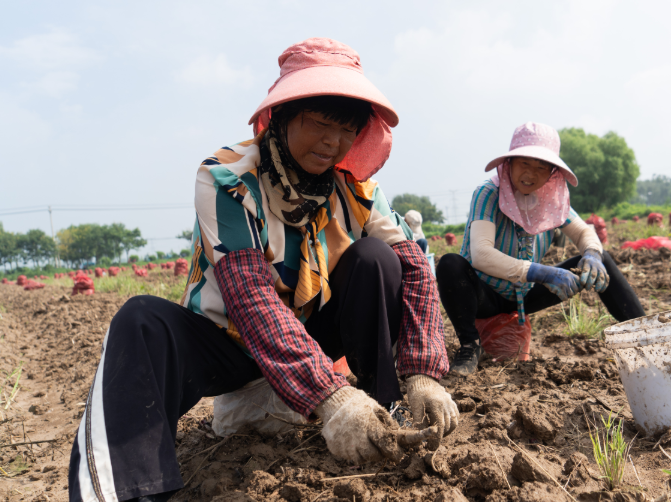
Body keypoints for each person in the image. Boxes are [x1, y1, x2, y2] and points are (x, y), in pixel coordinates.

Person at [69, 38, 458, 502]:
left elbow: (415, 265)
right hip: (231, 345)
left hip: (310, 334)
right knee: (141, 321)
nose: (333, 143)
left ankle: (384, 410)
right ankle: (133, 489)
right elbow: (250, 297)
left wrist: (423, 371)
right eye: (319, 124)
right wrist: (332, 398)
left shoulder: (354, 188)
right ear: (283, 116)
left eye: (347, 131)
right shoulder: (228, 178)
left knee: (377, 259)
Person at [436, 122, 645, 375]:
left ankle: (644, 334)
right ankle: (470, 345)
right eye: (524, 163)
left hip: (524, 296)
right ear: (509, 163)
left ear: (551, 173)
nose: (531, 174)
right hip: (485, 295)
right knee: (450, 264)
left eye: (541, 167)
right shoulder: (488, 193)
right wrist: (542, 273)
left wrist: (591, 254)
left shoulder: (551, 199)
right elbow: (481, 254)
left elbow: (582, 231)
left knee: (603, 261)